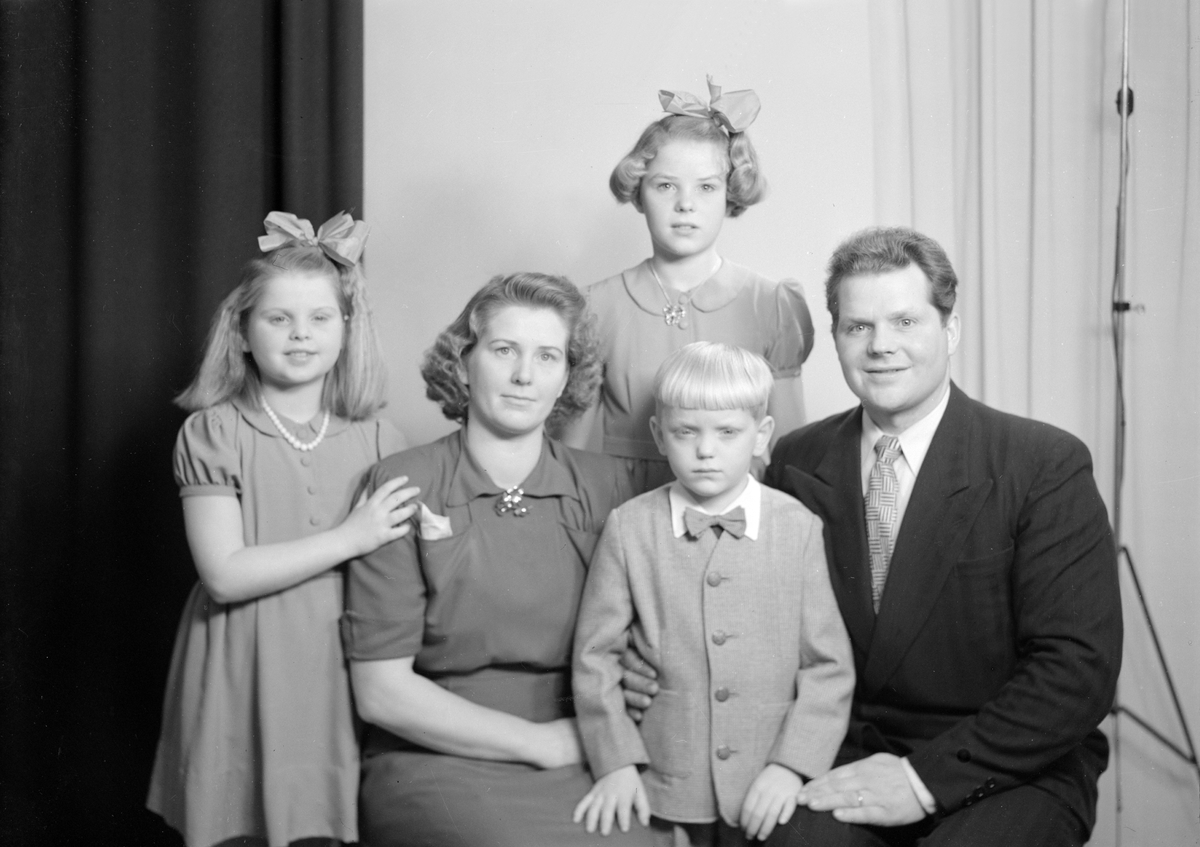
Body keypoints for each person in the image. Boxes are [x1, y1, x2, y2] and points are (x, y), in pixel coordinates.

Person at [628, 227, 1123, 846]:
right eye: (858, 326)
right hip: (842, 753)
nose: (880, 345)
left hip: (1007, 766)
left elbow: (1077, 671)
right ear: (836, 338)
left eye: (905, 322)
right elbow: (738, 607)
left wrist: (920, 780)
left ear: (951, 330)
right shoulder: (796, 461)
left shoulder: (1042, 464)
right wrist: (651, 660)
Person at [340, 272, 656, 847]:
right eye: (505, 350)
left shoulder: (611, 486)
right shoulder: (403, 483)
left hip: (588, 741)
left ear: (567, 377)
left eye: (547, 356)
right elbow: (380, 691)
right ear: (463, 363)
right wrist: (539, 744)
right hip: (437, 753)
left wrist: (615, 714)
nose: (524, 375)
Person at [148, 212, 419, 847]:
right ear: (242, 332)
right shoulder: (214, 432)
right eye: (278, 319)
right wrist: (351, 537)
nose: (301, 334)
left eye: (320, 318)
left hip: (340, 665)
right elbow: (223, 574)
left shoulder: (382, 437)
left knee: (329, 825)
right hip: (245, 659)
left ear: (347, 330)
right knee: (241, 826)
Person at [572, 342, 854, 846]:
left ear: (761, 435)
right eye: (686, 432)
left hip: (768, 782)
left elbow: (828, 667)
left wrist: (792, 766)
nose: (706, 450)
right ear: (659, 435)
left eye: (727, 432)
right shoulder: (629, 527)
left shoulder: (799, 527)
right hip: (665, 779)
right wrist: (615, 763)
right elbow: (596, 658)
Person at [562, 77, 814, 492]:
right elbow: (570, 456)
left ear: (729, 194)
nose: (685, 204)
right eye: (666, 186)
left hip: (734, 505)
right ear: (639, 192)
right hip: (624, 503)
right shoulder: (596, 306)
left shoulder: (770, 303)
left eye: (706, 187)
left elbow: (788, 453)